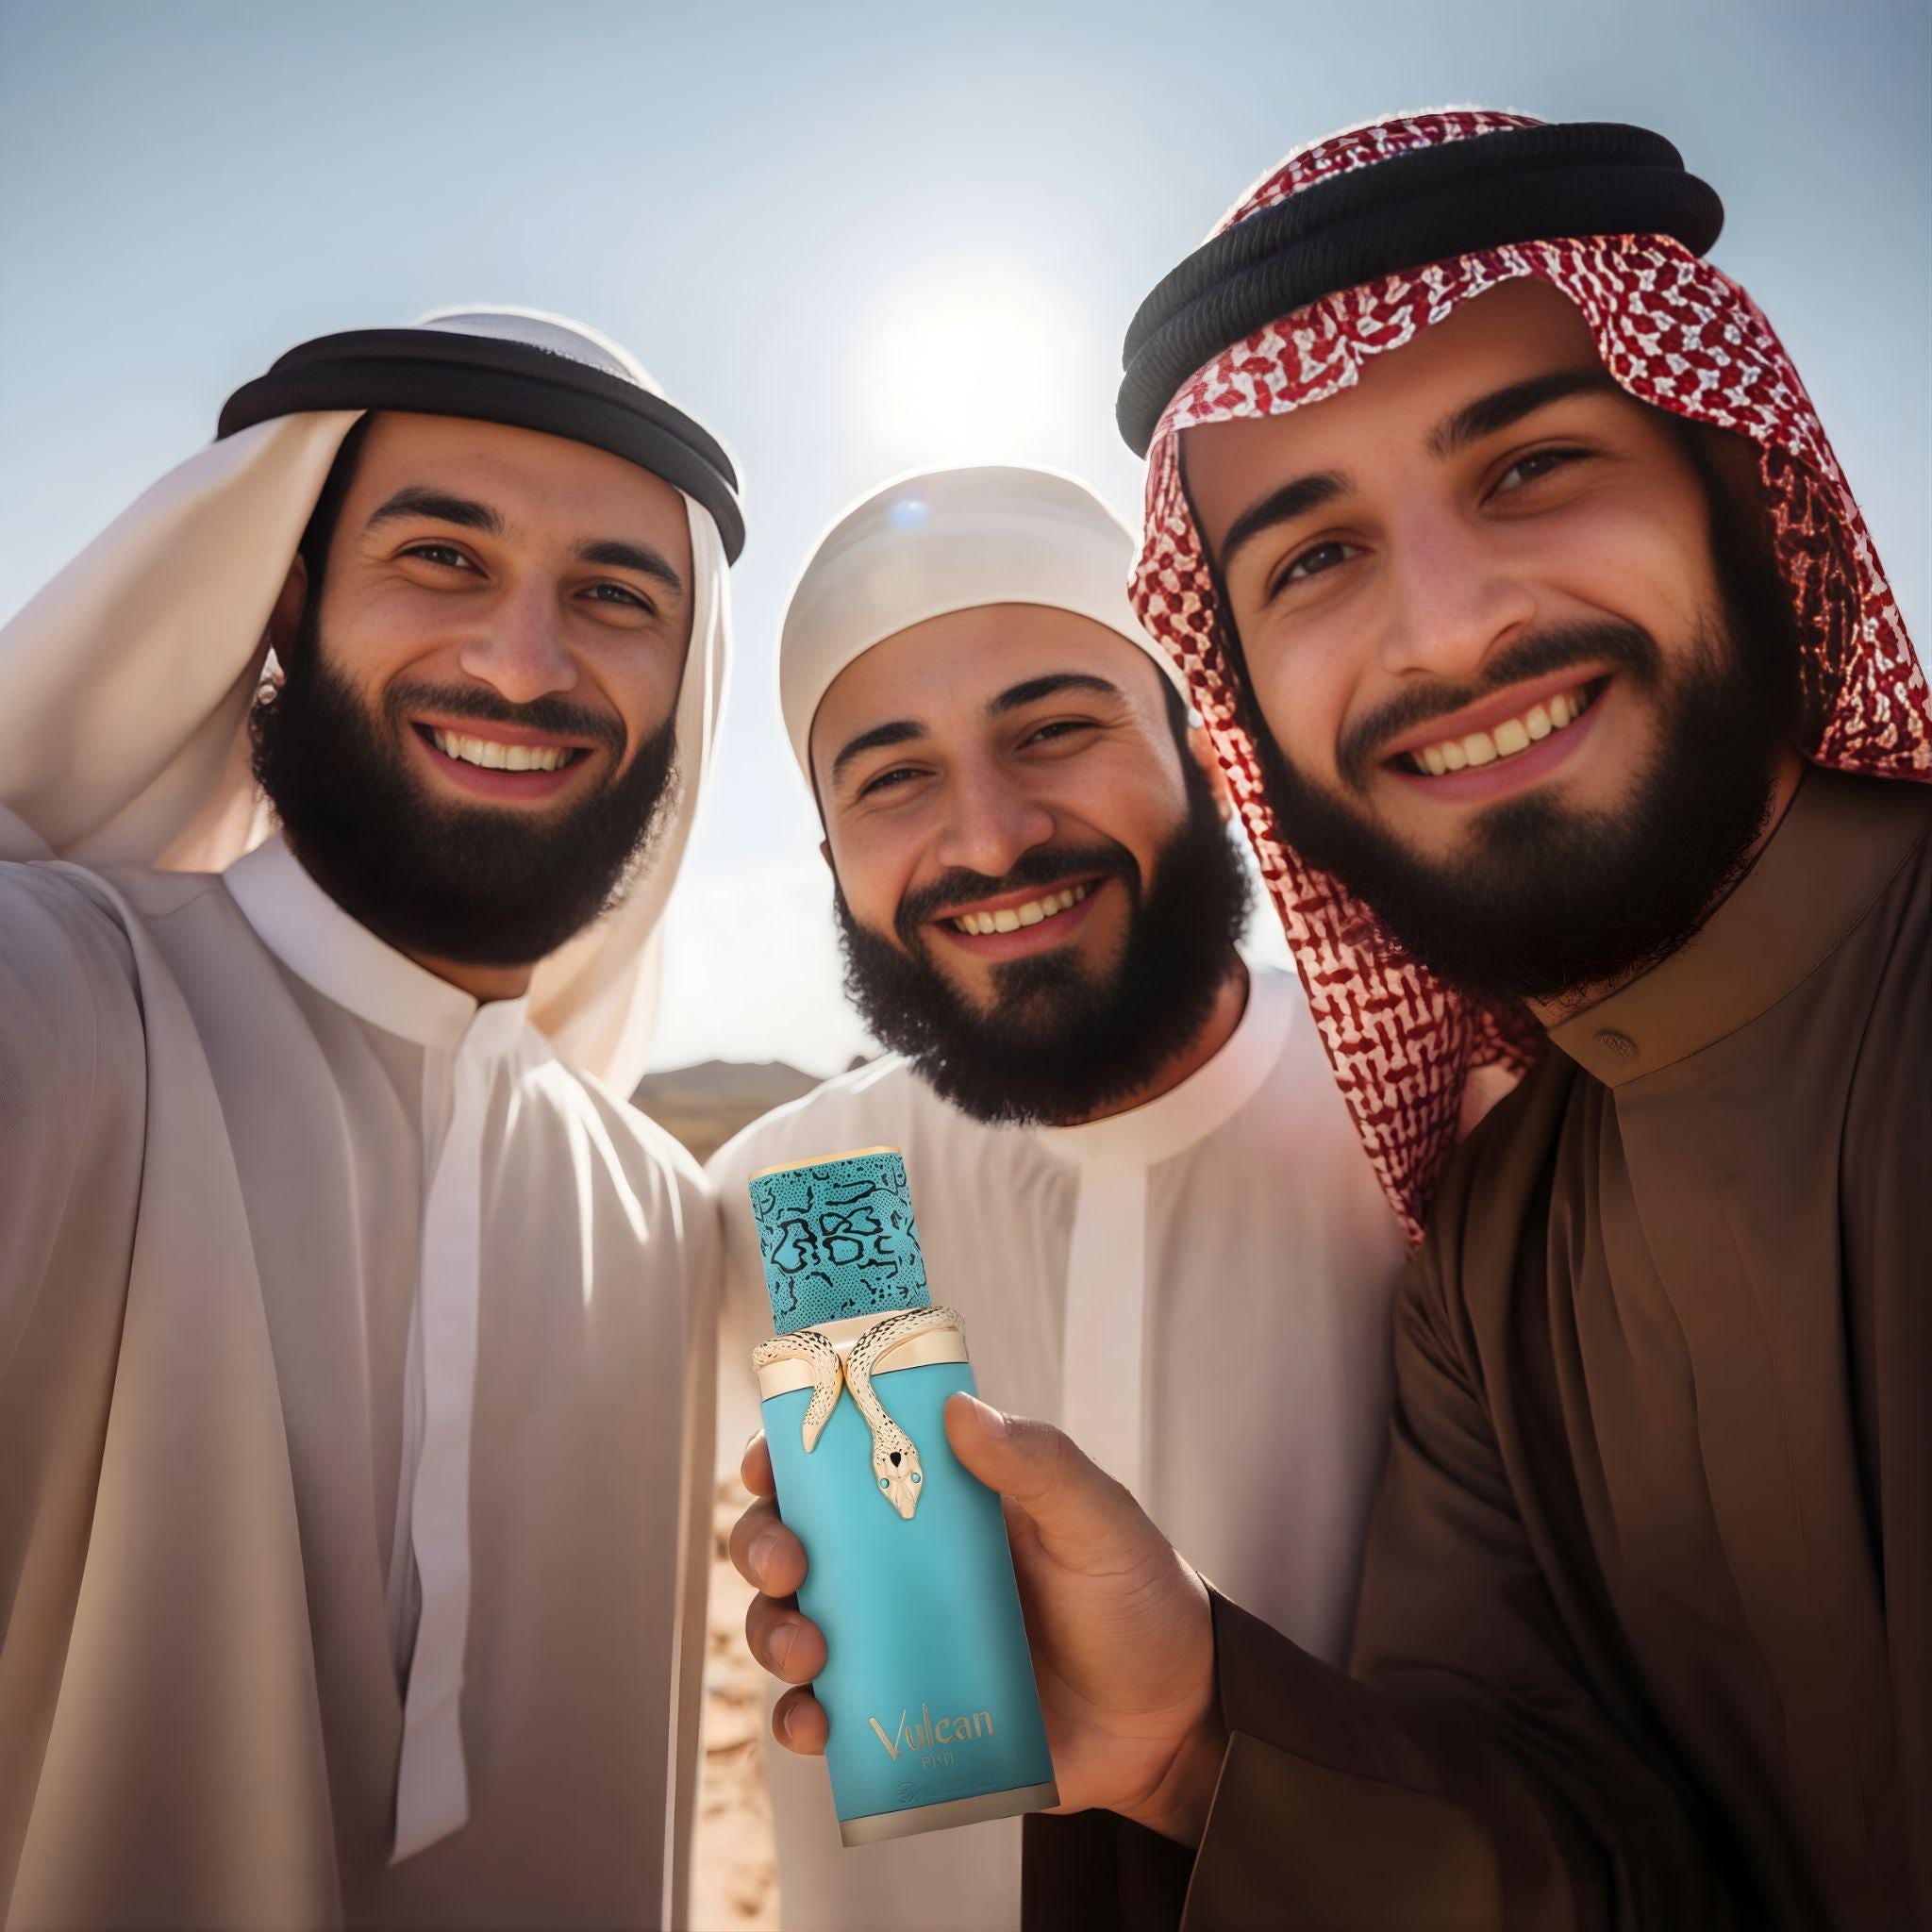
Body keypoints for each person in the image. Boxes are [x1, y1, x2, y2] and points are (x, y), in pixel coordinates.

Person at [732, 113, 1931, 1929]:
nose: (1444, 630)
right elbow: (1576, 1857)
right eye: (1311, 559)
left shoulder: (1419, 1156)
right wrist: (1195, 1740)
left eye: (1536, 466)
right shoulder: (1499, 1239)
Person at [0, 308, 739, 1928]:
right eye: (442, 559)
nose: (524, 664)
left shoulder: (657, 1214)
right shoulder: (66, 1001)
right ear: (286, 601)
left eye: (615, 597)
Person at [709, 464, 1406, 1931]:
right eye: (892, 778)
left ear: (1203, 750)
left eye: (1055, 731)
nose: (988, 837)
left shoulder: (1429, 1123)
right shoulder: (789, 1193)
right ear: (832, 859)